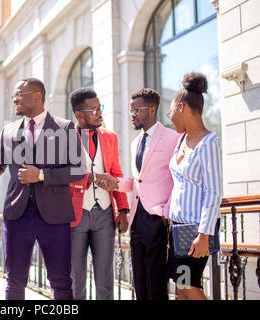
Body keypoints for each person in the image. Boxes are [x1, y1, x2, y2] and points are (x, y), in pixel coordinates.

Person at [0, 78, 85, 300]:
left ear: (37, 96)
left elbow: (79, 169)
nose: (14, 99)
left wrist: (41, 175)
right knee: (14, 281)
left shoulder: (65, 127)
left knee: (61, 282)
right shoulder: (8, 131)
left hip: (55, 216)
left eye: (18, 95)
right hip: (17, 216)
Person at [116, 88, 179, 300]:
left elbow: (179, 180)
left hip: (157, 219)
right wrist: (114, 183)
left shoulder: (172, 138)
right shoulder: (136, 143)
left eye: (137, 110)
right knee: (140, 282)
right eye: (131, 110)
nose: (132, 114)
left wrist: (166, 212)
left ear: (152, 109)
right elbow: (138, 182)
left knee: (156, 282)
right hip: (136, 219)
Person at [68, 88, 130, 300]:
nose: (99, 112)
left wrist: (122, 209)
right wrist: (89, 178)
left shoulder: (110, 137)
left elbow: (116, 173)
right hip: (75, 216)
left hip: (104, 214)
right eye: (93, 109)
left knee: (105, 279)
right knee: (76, 280)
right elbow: (61, 177)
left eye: (99, 107)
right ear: (79, 114)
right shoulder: (65, 138)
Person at [166, 72, 222, 300]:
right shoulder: (181, 140)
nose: (169, 118)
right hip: (177, 227)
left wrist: (204, 234)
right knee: (181, 285)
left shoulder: (209, 143)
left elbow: (213, 191)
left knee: (188, 285)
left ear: (181, 107)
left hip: (195, 230)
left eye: (170, 112)